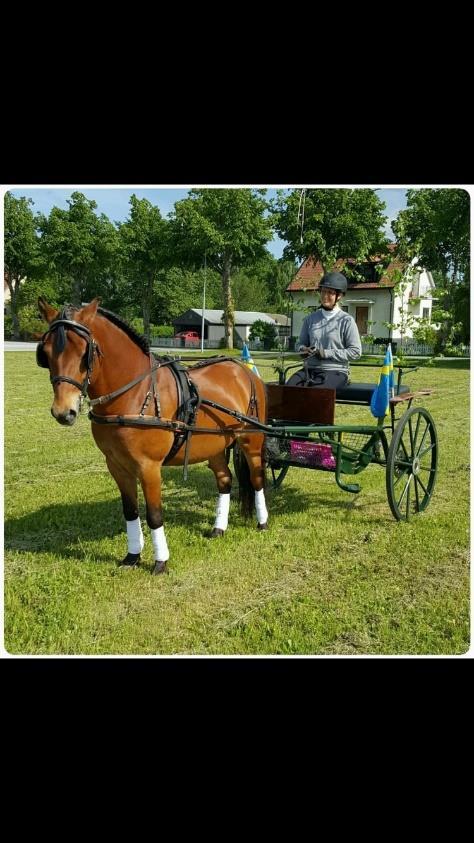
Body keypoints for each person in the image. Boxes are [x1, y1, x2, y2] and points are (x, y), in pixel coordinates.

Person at [287, 271, 361, 389]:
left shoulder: (347, 321)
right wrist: (303, 349)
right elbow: (299, 344)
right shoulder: (310, 319)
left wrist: (326, 353)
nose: (325, 296)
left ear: (339, 296)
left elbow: (355, 352)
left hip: (336, 371)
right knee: (288, 388)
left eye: (330, 293)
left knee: (317, 393)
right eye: (323, 291)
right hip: (310, 369)